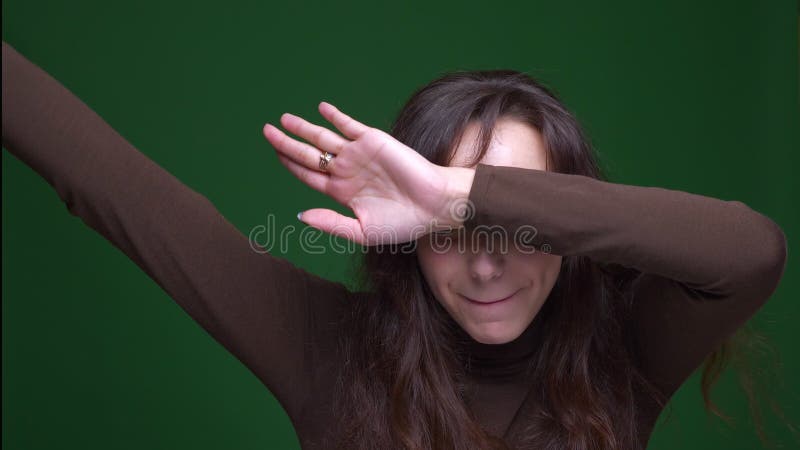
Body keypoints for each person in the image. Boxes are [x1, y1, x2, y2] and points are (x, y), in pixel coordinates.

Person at [2, 40, 788, 450]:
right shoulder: (328, 349)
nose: (485, 261)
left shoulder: (623, 352)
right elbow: (109, 187)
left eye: (526, 222)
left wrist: (455, 194)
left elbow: (751, 253)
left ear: (570, 222)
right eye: (447, 232)